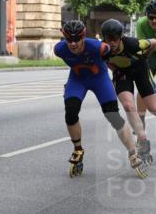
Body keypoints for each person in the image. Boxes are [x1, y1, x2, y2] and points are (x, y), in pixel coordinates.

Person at [53, 20, 148, 179]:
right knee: (71, 111)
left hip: (99, 80)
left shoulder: (99, 47)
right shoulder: (59, 49)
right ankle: (78, 150)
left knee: (113, 116)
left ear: (83, 37)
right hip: (77, 80)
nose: (73, 43)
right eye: (69, 39)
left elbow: (117, 55)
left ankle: (133, 154)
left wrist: (131, 67)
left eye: (77, 39)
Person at [99, 19, 156, 162]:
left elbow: (154, 42)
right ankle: (143, 140)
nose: (111, 42)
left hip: (140, 69)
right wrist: (115, 69)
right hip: (122, 73)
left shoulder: (132, 43)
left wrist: (145, 56)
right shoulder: (102, 49)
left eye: (115, 39)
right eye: (108, 39)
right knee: (128, 106)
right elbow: (104, 61)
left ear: (120, 37)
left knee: (153, 107)